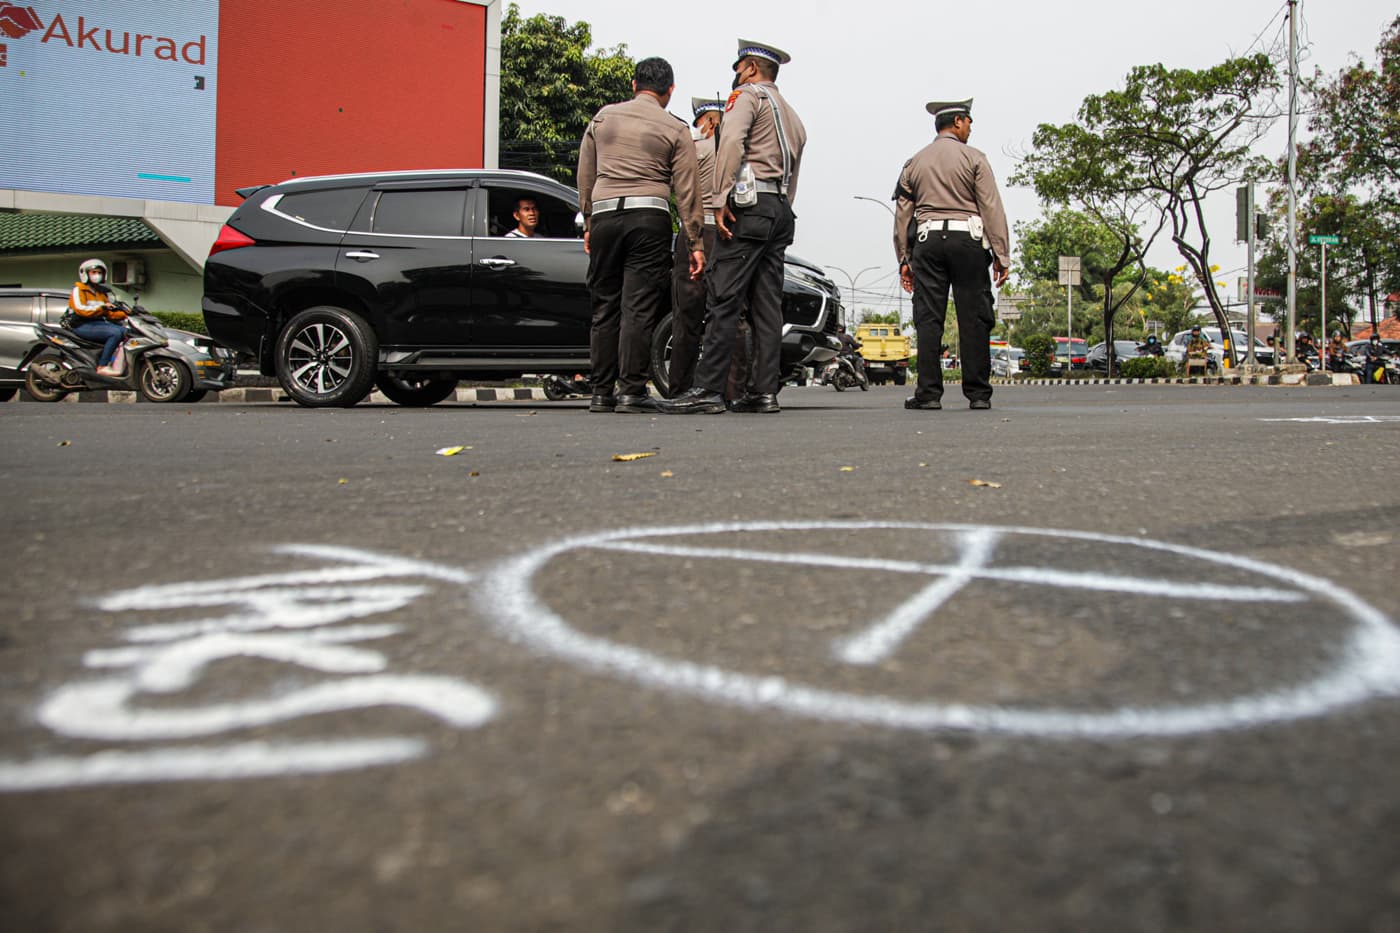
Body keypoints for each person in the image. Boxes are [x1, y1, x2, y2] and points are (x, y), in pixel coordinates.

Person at [658, 39, 807, 415]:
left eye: (738, 68)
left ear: (752, 68)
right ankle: (763, 392)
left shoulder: (747, 97)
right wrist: (782, 203)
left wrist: (722, 196)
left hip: (750, 207)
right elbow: (796, 165)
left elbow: (733, 143)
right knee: (767, 306)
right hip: (779, 208)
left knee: (723, 298)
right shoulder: (792, 114)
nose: (735, 75)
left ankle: (708, 389)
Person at [577, 56, 705, 413]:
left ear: (634, 85)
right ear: (670, 91)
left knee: (604, 305)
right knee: (638, 307)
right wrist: (694, 242)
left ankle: (601, 392)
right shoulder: (675, 128)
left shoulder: (602, 118)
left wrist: (589, 220)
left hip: (604, 216)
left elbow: (585, 173)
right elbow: (687, 190)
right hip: (648, 217)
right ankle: (631, 389)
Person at [893, 98, 1010, 411]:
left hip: (927, 242)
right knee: (974, 316)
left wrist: (904, 259)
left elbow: (903, 214)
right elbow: (991, 208)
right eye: (969, 121)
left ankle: (928, 394)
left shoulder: (913, 163)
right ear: (958, 121)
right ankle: (979, 394)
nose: (971, 128)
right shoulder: (975, 159)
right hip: (968, 242)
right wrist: (1001, 254)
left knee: (928, 317)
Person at [668, 97, 725, 397]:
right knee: (727, 315)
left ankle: (679, 388)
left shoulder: (694, 148)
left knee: (687, 317)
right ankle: (728, 389)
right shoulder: (736, 154)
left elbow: (680, 192)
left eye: (699, 123)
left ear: (707, 122)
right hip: (728, 236)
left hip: (697, 233)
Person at [67, 258, 128, 377]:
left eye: (99, 273)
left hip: (98, 324)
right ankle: (102, 366)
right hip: (81, 324)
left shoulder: (101, 293)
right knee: (114, 333)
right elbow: (81, 309)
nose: (97, 275)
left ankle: (117, 364)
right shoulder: (78, 290)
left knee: (126, 332)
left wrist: (126, 314)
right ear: (85, 274)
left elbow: (109, 314)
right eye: (94, 272)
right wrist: (103, 308)